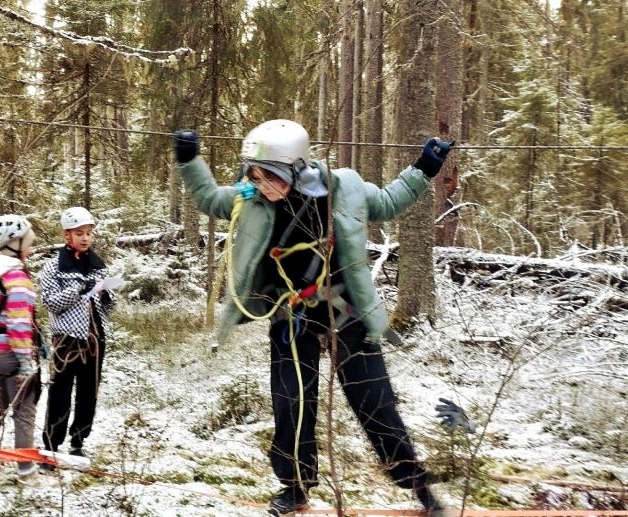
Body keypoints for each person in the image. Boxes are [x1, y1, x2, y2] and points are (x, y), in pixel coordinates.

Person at [172, 120, 453, 516]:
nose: (258, 181)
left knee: (375, 400)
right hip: (291, 313)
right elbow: (207, 197)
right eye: (252, 172)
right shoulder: (250, 198)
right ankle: (295, 487)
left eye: (266, 173)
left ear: (294, 168)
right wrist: (189, 159)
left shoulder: (345, 189)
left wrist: (424, 168)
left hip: (347, 311)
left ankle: (417, 485)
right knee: (292, 402)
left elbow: (390, 202)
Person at [38, 207, 117, 465]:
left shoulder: (98, 265)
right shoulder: (53, 267)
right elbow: (50, 303)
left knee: (88, 393)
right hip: (66, 338)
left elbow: (111, 305)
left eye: (88, 233)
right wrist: (78, 289)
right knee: (60, 392)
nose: (85, 238)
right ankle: (51, 444)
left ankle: (78, 441)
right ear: (67, 235)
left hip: (96, 339)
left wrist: (106, 295)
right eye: (79, 233)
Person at [0, 214, 43, 482]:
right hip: (13, 354)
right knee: (24, 411)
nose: (30, 247)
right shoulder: (16, 277)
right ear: (15, 243)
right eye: (27, 242)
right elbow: (19, 323)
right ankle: (26, 469)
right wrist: (26, 361)